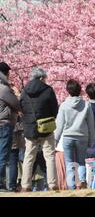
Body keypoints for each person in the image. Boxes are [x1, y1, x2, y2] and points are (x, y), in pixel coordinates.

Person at [20, 67, 59, 192]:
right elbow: (55, 109)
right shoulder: (48, 90)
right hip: (46, 128)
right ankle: (53, 185)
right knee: (49, 156)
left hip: (30, 128)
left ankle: (26, 186)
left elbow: (22, 108)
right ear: (41, 78)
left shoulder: (24, 91)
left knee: (29, 157)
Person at [55, 79, 95, 190]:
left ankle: (71, 185)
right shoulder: (86, 105)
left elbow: (59, 125)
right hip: (82, 136)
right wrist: (92, 140)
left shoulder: (64, 105)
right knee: (81, 161)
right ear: (79, 90)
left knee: (69, 163)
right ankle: (82, 181)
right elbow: (91, 125)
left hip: (68, 137)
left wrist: (55, 140)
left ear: (68, 90)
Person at [0, 62, 21, 192]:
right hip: (4, 124)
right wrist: (17, 94)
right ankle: (0, 184)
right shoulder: (4, 88)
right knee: (3, 154)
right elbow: (17, 104)